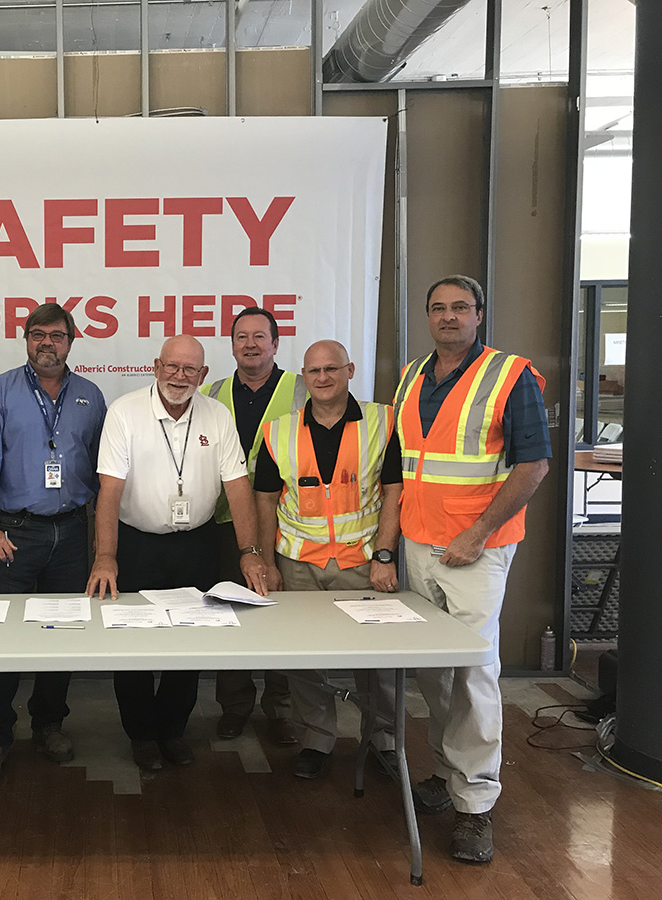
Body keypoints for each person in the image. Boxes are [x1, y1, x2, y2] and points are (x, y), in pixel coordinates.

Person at [396, 275, 550, 864]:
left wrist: (478, 532)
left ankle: (475, 805)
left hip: (475, 552)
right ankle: (445, 772)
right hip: (419, 545)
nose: (448, 317)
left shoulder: (510, 376)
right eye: (438, 308)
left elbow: (533, 464)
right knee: (434, 675)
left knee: (473, 674)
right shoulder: (413, 375)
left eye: (460, 308)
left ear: (480, 315)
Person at [87, 335, 268, 772]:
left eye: (190, 369)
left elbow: (238, 487)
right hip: (136, 545)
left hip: (196, 546)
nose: (179, 376)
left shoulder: (217, 415)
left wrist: (250, 551)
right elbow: (109, 490)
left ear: (203, 375)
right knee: (132, 644)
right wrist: (105, 555)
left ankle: (172, 730)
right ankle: (141, 735)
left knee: (190, 642)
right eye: (172, 366)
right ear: (156, 366)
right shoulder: (125, 412)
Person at [0, 303, 107, 784]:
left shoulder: (90, 396)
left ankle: (49, 724)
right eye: (38, 335)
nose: (47, 343)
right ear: (26, 339)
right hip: (13, 535)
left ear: (72, 341)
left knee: (58, 634)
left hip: (70, 532)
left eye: (57, 336)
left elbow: (99, 466)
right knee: (1, 640)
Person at [253, 339, 402, 780]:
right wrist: (267, 563)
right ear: (304, 377)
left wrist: (385, 555)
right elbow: (264, 502)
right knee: (303, 659)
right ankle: (317, 739)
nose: (322, 378)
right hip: (298, 563)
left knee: (376, 657)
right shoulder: (279, 430)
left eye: (331, 369)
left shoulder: (381, 421)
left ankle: (384, 739)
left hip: (362, 561)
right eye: (314, 371)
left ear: (350, 370)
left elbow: (394, 492)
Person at [200, 306, 307, 744]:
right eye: (241, 337)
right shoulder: (211, 392)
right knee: (231, 614)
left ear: (276, 344)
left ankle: (280, 708)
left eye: (259, 337)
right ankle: (235, 705)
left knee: (278, 614)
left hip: (287, 522)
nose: (250, 344)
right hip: (224, 524)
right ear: (231, 345)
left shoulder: (301, 390)